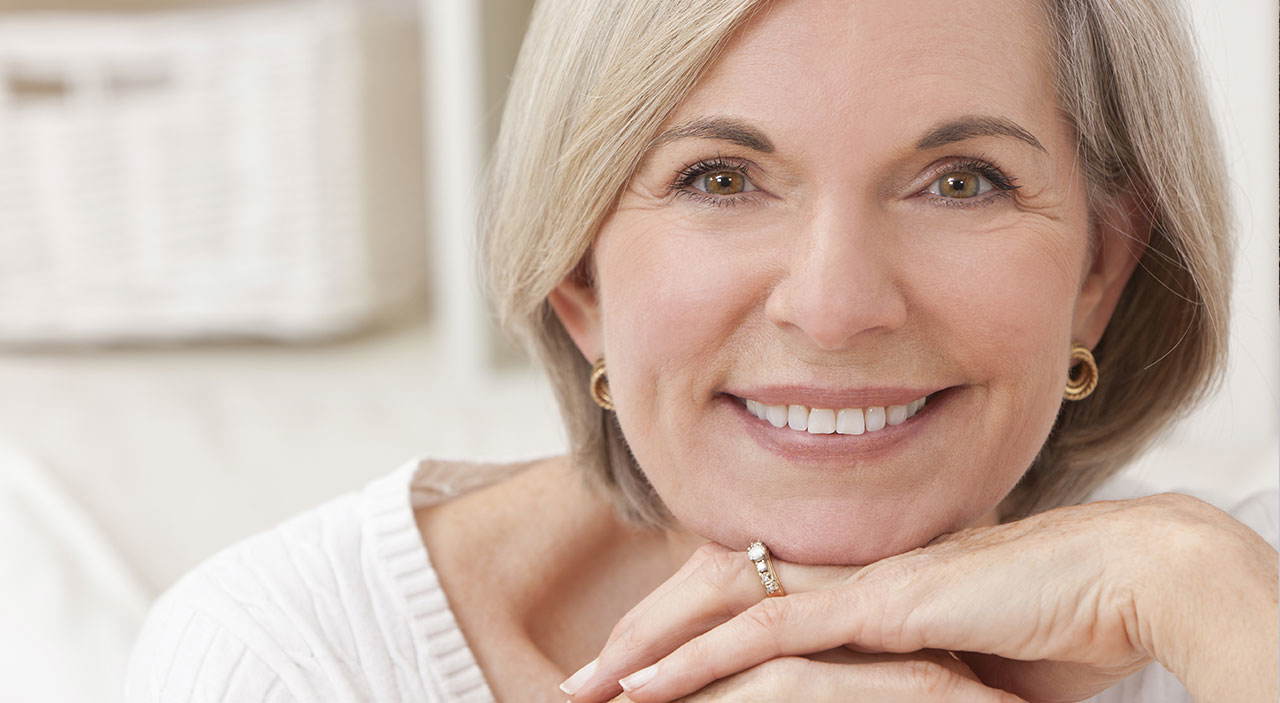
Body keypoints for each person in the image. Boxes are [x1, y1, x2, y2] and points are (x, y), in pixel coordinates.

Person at [126, 0, 1278, 701]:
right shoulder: (289, 660)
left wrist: (1214, 596)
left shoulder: (1227, 608)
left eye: (960, 182)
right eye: (719, 179)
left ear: (1097, 271)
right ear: (578, 276)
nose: (833, 306)